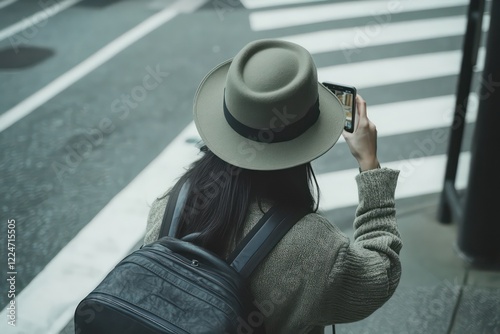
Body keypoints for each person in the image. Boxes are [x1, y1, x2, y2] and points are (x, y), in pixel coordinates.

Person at [143, 39, 402, 334]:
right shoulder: (315, 247)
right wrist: (370, 164)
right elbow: (381, 274)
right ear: (308, 137)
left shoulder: (168, 206)